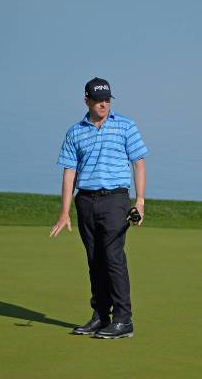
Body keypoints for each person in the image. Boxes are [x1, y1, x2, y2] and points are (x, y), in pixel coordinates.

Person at [49, 77, 148, 339]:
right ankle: (101, 316)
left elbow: (138, 163)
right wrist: (64, 212)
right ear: (87, 100)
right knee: (95, 260)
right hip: (86, 201)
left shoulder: (126, 126)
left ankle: (123, 320)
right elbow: (69, 173)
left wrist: (139, 201)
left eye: (107, 99)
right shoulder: (75, 132)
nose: (103, 104)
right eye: (98, 99)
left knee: (113, 257)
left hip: (115, 200)